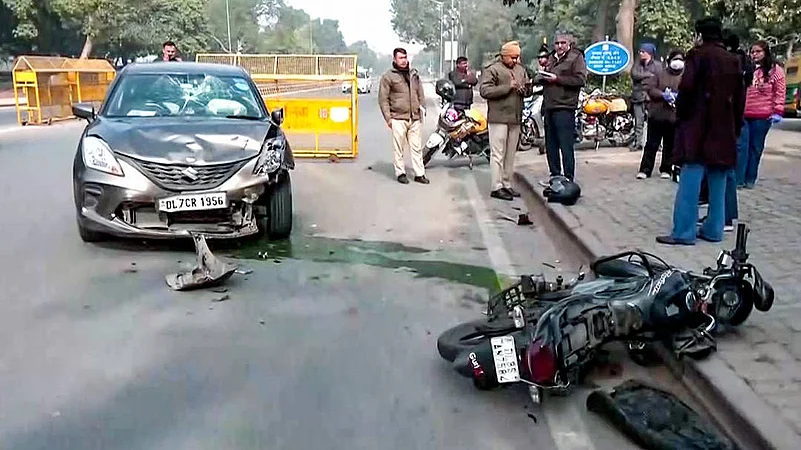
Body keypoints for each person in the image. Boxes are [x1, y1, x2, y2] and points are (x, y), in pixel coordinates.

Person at [656, 17, 745, 246]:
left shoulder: (697, 55)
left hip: (697, 127)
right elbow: (739, 98)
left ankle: (684, 232)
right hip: (723, 127)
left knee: (690, 181)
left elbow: (686, 89)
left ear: (700, 35)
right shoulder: (732, 60)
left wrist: (682, 116)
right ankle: (714, 229)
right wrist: (735, 125)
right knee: (718, 181)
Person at [479, 40, 531, 201]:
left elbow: (527, 89)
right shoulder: (493, 70)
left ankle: (507, 183)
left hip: (515, 117)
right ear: (504, 55)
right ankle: (497, 186)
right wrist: (508, 87)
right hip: (499, 117)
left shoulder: (521, 69)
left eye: (517, 57)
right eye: (512, 57)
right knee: (497, 154)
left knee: (510, 154)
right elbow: (485, 90)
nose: (515, 60)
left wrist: (525, 89)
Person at [736, 40, 786, 188]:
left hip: (763, 116)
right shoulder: (746, 68)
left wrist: (778, 110)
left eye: (758, 51)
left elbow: (780, 91)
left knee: (755, 148)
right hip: (744, 114)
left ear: (765, 52)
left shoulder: (775, 70)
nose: (755, 54)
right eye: (752, 52)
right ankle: (738, 179)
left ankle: (750, 179)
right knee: (742, 147)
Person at [540, 32, 587, 182]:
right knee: (551, 144)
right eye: (557, 43)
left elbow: (580, 79)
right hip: (549, 105)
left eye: (562, 43)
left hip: (565, 106)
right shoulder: (551, 58)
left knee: (565, 144)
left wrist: (558, 79)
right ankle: (555, 175)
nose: (559, 46)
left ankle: (568, 177)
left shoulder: (576, 57)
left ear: (569, 44)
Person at [378, 47, 429, 185]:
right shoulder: (388, 76)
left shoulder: (413, 74)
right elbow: (383, 99)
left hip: (415, 117)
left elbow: (420, 92)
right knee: (398, 148)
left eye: (405, 57)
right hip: (398, 117)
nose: (404, 60)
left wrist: (422, 108)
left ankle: (419, 174)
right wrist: (388, 118)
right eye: (401, 58)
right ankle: (400, 172)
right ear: (394, 59)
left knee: (416, 147)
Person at [637, 50, 684, 180]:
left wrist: (679, 97)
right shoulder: (660, 74)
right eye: (675, 59)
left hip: (674, 116)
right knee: (652, 144)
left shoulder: (685, 77)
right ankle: (645, 169)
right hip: (657, 114)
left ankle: (666, 169)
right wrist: (663, 95)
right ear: (669, 61)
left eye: (680, 59)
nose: (678, 62)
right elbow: (651, 89)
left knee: (670, 144)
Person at [630, 43, 662, 152]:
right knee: (638, 122)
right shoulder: (637, 64)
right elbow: (634, 75)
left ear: (649, 53)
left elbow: (659, 78)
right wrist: (648, 75)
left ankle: (656, 144)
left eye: (643, 52)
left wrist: (645, 77)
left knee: (654, 121)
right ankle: (638, 143)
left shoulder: (657, 65)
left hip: (651, 97)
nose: (641, 53)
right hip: (638, 96)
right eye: (640, 51)